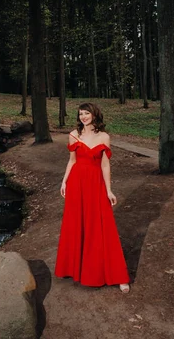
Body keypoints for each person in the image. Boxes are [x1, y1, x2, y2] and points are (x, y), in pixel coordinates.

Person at [54, 102, 130, 293]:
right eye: (80, 114)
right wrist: (64, 182)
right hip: (76, 184)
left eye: (86, 113)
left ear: (94, 114)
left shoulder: (104, 137)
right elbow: (71, 161)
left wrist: (109, 190)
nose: (83, 117)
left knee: (102, 226)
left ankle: (118, 275)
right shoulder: (73, 135)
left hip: (95, 184)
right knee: (76, 225)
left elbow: (105, 165)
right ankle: (75, 269)